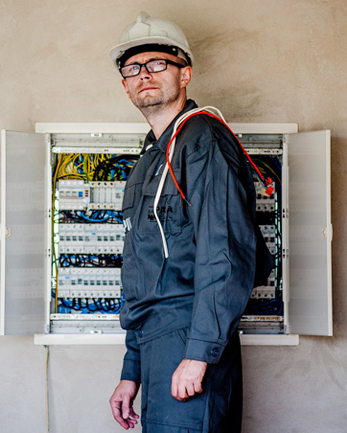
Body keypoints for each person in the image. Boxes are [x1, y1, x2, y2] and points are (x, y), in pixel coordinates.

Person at [109, 12, 272, 433]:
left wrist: (198, 354)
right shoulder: (150, 157)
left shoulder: (202, 141)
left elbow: (226, 254)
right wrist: (133, 370)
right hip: (158, 345)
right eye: (133, 68)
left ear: (186, 74)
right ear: (124, 84)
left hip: (190, 339)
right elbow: (144, 271)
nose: (145, 74)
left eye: (159, 63)